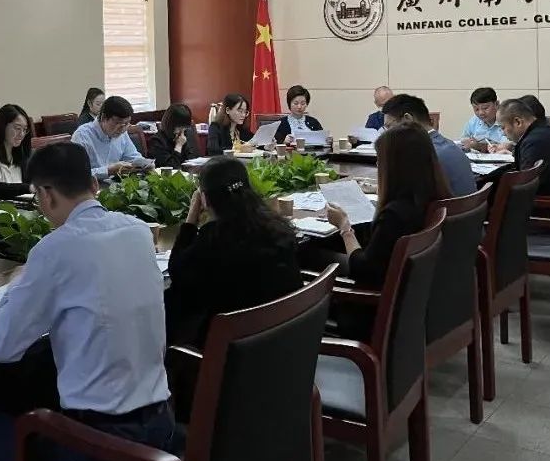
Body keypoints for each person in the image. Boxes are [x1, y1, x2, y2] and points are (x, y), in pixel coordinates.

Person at [0, 142, 174, 461]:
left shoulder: (55, 249)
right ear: (94, 184)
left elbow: (3, 348)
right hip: (159, 426)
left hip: (96, 447)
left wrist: (16, 282)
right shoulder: (139, 231)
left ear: (45, 194)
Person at [326, 122, 451, 340]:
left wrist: (345, 227)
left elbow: (364, 269)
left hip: (375, 315)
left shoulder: (395, 215)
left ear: (394, 167)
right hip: (418, 304)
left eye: (379, 161)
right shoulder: (436, 197)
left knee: (313, 258)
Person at [165, 156, 302, 347]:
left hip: (232, 353)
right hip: (284, 342)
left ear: (205, 198)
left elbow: (177, 272)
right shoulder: (275, 226)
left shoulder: (214, 239)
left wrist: (190, 220)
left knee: (174, 303)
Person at [382, 94, 476, 196]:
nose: (387, 133)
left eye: (389, 126)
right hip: (465, 205)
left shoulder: (420, 154)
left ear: (408, 119)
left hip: (442, 206)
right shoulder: (451, 146)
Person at [71, 95, 148, 180]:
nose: (122, 129)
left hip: (117, 184)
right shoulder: (82, 136)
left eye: (126, 124)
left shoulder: (122, 132)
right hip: (92, 186)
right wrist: (108, 171)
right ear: (104, 117)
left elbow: (132, 157)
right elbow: (77, 174)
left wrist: (145, 164)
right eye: (118, 123)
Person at [146, 103, 198, 168]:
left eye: (185, 127)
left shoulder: (184, 135)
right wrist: (178, 146)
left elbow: (192, 160)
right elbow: (171, 167)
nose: (182, 131)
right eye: (180, 127)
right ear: (170, 124)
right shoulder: (156, 141)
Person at [460, 87, 506, 152]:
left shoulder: (506, 120)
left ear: (497, 104)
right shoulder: (474, 121)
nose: (481, 113)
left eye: (485, 108)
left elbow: (507, 146)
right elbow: (463, 141)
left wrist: (480, 146)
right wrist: (467, 144)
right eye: (476, 109)